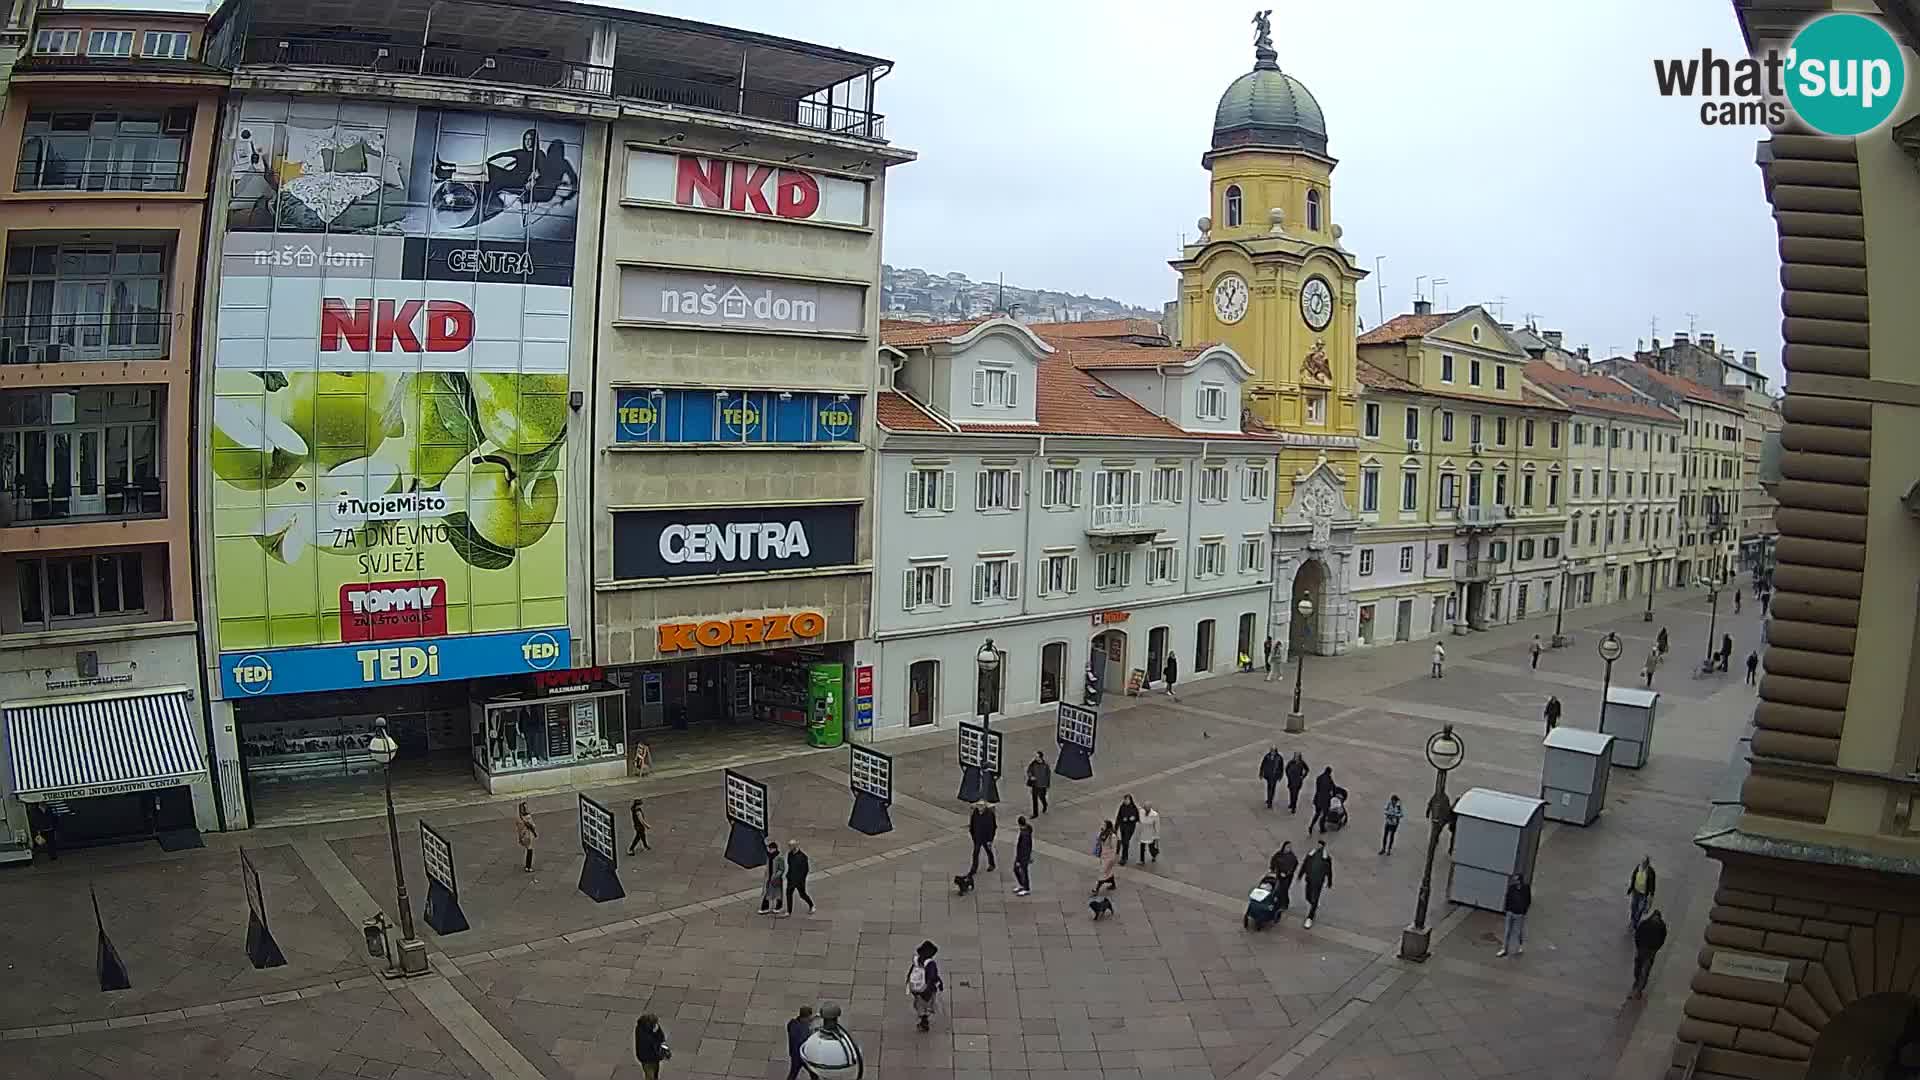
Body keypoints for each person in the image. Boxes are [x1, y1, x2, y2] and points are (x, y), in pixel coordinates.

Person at [1630, 909, 1668, 1000]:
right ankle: (1638, 983)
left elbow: (1662, 938)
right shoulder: (1649, 924)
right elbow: (1638, 935)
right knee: (1640, 968)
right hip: (1645, 950)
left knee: (1643, 969)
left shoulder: (1659, 926)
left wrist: (1655, 948)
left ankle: (1639, 987)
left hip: (1648, 950)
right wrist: (1639, 946)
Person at [907, 940, 944, 1031]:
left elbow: (911, 972)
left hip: (917, 988)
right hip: (927, 989)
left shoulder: (917, 960)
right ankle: (924, 1021)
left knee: (919, 1004)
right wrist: (939, 984)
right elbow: (933, 976)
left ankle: (923, 1018)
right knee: (928, 1004)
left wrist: (909, 984)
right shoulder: (931, 964)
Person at [1498, 872, 1532, 957]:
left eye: (1516, 879)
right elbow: (1507, 897)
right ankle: (1504, 949)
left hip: (1519, 914)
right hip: (1510, 912)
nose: (1515, 881)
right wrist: (1507, 909)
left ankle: (1519, 946)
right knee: (1507, 931)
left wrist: (1524, 911)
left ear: (1520, 880)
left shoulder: (1526, 888)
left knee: (1518, 932)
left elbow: (1528, 900)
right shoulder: (1512, 888)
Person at [1301, 841, 1333, 928]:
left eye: (1320, 845)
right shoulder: (1311, 855)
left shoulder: (1326, 858)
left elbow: (1329, 871)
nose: (1318, 846)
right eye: (1318, 845)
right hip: (1309, 880)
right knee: (1307, 896)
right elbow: (1305, 864)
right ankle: (1314, 904)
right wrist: (1301, 874)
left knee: (1314, 899)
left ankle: (1310, 917)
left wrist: (1329, 881)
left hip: (1318, 882)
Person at [1268, 842, 1299, 921]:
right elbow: (1273, 860)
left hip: (1287, 877)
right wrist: (1272, 868)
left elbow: (1293, 866)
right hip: (1279, 874)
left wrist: (1288, 873)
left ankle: (1285, 903)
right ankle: (1279, 901)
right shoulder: (1279, 854)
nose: (1288, 848)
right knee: (1278, 888)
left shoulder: (1292, 857)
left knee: (1284, 889)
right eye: (1287, 847)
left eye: (1289, 847)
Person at [784, 1006, 815, 1080]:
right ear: (804, 1018)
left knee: (793, 1074)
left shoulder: (792, 1023)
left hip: (795, 1055)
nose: (810, 1019)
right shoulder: (802, 1029)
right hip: (801, 1056)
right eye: (809, 1017)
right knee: (813, 1074)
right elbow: (805, 1040)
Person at [634, 1013, 669, 1079]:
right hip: (647, 1060)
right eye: (655, 1023)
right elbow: (651, 1043)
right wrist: (654, 1034)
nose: (657, 1025)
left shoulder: (655, 1028)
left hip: (655, 1058)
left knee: (655, 1074)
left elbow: (661, 1039)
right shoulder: (642, 1032)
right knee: (650, 1076)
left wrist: (666, 1050)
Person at [1627, 856, 1657, 932]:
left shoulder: (1651, 872)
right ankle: (1632, 921)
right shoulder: (1638, 867)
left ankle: (1635, 922)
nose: (1642, 864)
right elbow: (1633, 876)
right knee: (1633, 907)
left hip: (1643, 894)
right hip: (1636, 891)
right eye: (1642, 862)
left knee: (1640, 909)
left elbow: (1652, 885)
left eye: (1644, 863)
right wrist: (1630, 888)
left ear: (1647, 864)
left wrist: (1651, 896)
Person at [967, 801, 997, 875]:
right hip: (977, 837)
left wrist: (990, 840)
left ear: (985, 806)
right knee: (975, 853)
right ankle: (974, 869)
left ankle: (992, 864)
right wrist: (973, 835)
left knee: (988, 851)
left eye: (981, 805)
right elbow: (972, 824)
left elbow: (993, 827)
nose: (980, 807)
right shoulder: (975, 813)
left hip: (986, 838)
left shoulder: (990, 814)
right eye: (978, 805)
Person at [785, 841, 814, 915]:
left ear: (795, 846)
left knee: (802, 895)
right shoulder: (790, 854)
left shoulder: (803, 857)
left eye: (790, 846)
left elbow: (805, 870)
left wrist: (801, 879)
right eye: (789, 846)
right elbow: (790, 865)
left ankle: (811, 905)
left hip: (799, 881)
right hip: (791, 879)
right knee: (788, 894)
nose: (789, 847)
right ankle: (789, 911)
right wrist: (788, 875)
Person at [760, 838, 787, 915]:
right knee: (767, 893)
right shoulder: (769, 856)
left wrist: (775, 876)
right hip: (769, 877)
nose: (769, 850)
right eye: (769, 849)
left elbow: (782, 869)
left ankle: (778, 906)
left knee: (778, 894)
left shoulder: (779, 858)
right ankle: (765, 907)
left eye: (770, 849)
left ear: (774, 849)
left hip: (776, 879)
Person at [1309, 767, 1339, 835]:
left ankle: (1311, 826)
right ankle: (1322, 828)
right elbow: (1333, 788)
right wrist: (1334, 795)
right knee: (1324, 814)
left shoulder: (1319, 778)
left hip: (1318, 799)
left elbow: (1318, 788)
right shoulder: (1329, 779)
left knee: (1317, 814)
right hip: (1325, 800)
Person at [1091, 821, 1118, 894]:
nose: (1102, 826)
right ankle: (1113, 884)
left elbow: (1114, 847)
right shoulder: (1101, 833)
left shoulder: (1112, 836)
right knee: (1108, 871)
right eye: (1102, 824)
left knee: (1102, 872)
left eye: (1104, 825)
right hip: (1103, 855)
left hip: (1109, 857)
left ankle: (1096, 889)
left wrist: (1112, 858)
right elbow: (1098, 840)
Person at [1115, 795, 1141, 865]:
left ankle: (1124, 858)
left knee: (1126, 842)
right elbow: (1118, 817)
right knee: (1124, 842)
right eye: (1124, 800)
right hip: (1123, 827)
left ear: (1130, 800)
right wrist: (1115, 828)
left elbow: (1137, 818)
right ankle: (1124, 857)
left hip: (1130, 828)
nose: (1125, 801)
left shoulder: (1133, 808)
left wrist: (1133, 818)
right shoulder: (1122, 807)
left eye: (1127, 800)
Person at [1013, 815, 1034, 896]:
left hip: (1023, 856)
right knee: (1018, 870)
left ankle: (1026, 888)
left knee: (1023, 871)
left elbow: (1023, 848)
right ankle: (1022, 885)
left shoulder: (1024, 834)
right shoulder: (1027, 829)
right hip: (1024, 855)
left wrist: (1019, 860)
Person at [1026, 751, 1051, 817]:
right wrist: (1031, 776)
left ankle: (1045, 804)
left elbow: (1048, 776)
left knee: (1042, 797)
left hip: (1042, 785)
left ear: (1040, 757)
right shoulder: (1033, 763)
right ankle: (1035, 814)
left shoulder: (1045, 765)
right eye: (1035, 756)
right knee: (1034, 799)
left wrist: (1047, 785)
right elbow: (1029, 770)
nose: (1035, 758)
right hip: (1035, 784)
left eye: (1037, 756)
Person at [516, 802, 537, 873]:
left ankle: (527, 866)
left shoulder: (518, 819)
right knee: (530, 849)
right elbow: (533, 826)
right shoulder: (528, 817)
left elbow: (519, 829)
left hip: (523, 836)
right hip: (528, 835)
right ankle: (528, 867)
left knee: (528, 849)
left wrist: (520, 838)